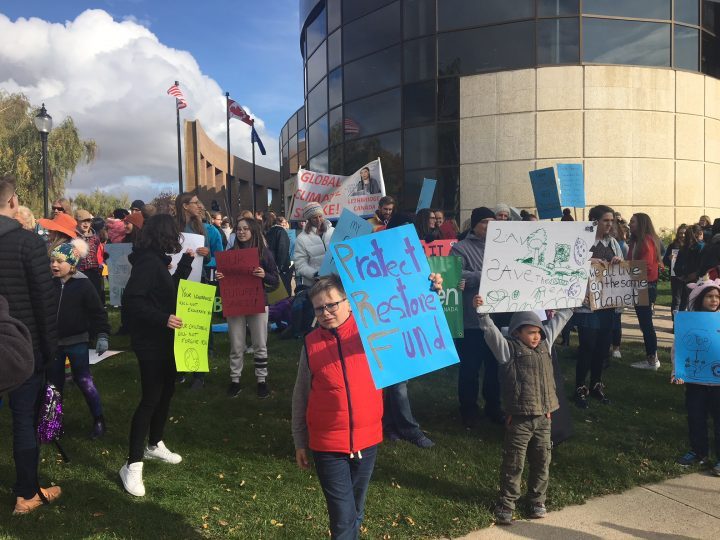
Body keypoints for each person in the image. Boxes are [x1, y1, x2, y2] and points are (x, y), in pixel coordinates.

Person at [291, 275, 383, 539]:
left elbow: (411, 322)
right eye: (319, 308)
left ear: (349, 302)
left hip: (367, 441)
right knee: (343, 518)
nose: (326, 312)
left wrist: (430, 290)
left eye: (332, 304)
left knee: (355, 510)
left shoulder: (371, 332)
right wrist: (299, 440)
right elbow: (301, 395)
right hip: (328, 445)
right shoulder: (311, 344)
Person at [473, 295, 572, 525]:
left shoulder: (545, 345)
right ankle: (507, 503)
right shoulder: (508, 350)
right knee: (514, 462)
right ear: (517, 332)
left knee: (542, 461)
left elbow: (561, 319)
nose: (536, 336)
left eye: (538, 331)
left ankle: (537, 500)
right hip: (519, 420)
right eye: (530, 332)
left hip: (544, 418)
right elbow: (490, 333)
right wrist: (482, 313)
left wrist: (574, 301)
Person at [119, 214, 194, 497]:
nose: (177, 237)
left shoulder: (154, 261)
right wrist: (163, 318)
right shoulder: (149, 263)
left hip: (164, 340)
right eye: (174, 232)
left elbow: (168, 291)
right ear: (165, 234)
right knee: (151, 398)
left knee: (166, 392)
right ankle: (132, 464)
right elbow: (133, 301)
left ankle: (155, 443)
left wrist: (185, 263)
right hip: (151, 341)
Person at [0, 175, 61, 514]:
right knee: (23, 417)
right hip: (23, 347)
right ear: (13, 202)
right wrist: (51, 349)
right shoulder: (29, 243)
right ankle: (26, 494)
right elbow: (45, 300)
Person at [47, 238, 110, 439]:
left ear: (72, 264)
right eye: (52, 261)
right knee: (54, 385)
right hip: (53, 344)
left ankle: (98, 419)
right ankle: (53, 424)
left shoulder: (84, 285)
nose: (54, 265)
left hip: (77, 342)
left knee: (84, 380)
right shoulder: (49, 284)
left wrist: (102, 334)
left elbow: (98, 312)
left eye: (59, 261)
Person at [449, 207, 505, 427]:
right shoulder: (460, 249)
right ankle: (469, 409)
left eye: (493, 222)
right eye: (485, 222)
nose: (490, 226)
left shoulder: (502, 247)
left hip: (497, 318)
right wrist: (486, 276)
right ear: (474, 225)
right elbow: (455, 274)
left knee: (495, 366)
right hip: (472, 320)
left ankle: (494, 406)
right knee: (470, 368)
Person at [219, 217, 279, 399]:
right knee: (236, 344)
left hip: (257, 302)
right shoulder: (229, 254)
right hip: (235, 303)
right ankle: (235, 380)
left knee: (260, 343)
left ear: (253, 231)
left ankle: (262, 380)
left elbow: (275, 281)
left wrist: (264, 275)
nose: (241, 232)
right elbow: (222, 283)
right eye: (238, 229)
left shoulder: (264, 253)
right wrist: (221, 278)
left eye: (245, 229)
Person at [573, 205, 623, 408]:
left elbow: (623, 270)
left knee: (602, 347)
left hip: (607, 303)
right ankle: (580, 387)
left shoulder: (613, 243)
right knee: (587, 346)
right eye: (605, 220)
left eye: (611, 221)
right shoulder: (582, 241)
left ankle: (596, 384)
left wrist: (620, 262)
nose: (609, 224)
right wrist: (587, 262)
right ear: (594, 221)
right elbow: (572, 266)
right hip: (588, 304)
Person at [671, 279, 720, 477]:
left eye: (717, 297)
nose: (714, 300)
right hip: (695, 381)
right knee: (695, 416)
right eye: (709, 296)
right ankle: (698, 451)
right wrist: (677, 372)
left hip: (718, 383)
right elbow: (678, 349)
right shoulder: (689, 321)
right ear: (700, 298)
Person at [175, 192, 224, 389]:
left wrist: (207, 254)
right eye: (195, 203)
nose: (199, 206)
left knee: (197, 329)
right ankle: (180, 369)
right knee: (178, 326)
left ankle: (198, 374)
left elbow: (217, 256)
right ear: (185, 206)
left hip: (198, 282)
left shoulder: (206, 229)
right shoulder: (173, 228)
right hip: (175, 283)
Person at [284, 203, 335, 338]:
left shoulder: (333, 232)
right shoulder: (302, 238)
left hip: (335, 278)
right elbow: (300, 263)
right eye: (314, 218)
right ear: (308, 220)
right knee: (321, 310)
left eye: (320, 216)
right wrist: (314, 274)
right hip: (316, 281)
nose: (318, 220)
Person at [628, 213, 663, 370]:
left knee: (646, 323)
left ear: (641, 223)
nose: (630, 224)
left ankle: (652, 359)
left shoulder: (646, 241)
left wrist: (628, 273)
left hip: (644, 286)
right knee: (645, 323)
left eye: (633, 222)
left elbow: (646, 266)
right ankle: (651, 357)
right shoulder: (637, 241)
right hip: (641, 285)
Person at [75, 209, 105, 302]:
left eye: (88, 221)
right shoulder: (73, 237)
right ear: (76, 222)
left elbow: (99, 253)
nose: (86, 223)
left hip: (94, 272)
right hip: (80, 271)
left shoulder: (95, 238)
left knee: (95, 296)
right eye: (83, 221)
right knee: (81, 297)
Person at [675, 225, 705, 311]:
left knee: (684, 303)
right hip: (700, 279)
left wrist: (683, 276)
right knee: (698, 305)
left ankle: (679, 324)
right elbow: (704, 265)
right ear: (700, 233)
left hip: (687, 280)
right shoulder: (701, 246)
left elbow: (677, 267)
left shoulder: (684, 247)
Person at [664, 224, 688, 319]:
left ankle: (681, 322)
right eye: (680, 233)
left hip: (687, 277)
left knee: (685, 301)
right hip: (676, 277)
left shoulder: (690, 246)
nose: (682, 235)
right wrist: (669, 259)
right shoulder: (672, 245)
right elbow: (665, 260)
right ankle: (675, 323)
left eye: (684, 233)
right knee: (676, 300)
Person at [265, 214, 292, 294]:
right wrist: (280, 267)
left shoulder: (270, 232)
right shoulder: (280, 231)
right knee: (284, 295)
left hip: (275, 268)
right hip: (281, 269)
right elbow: (282, 250)